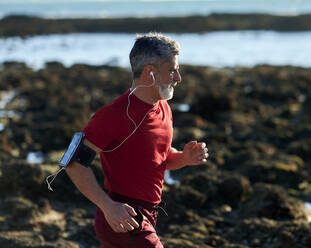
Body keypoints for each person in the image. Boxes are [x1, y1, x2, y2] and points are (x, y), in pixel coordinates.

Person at [65, 32, 209, 248]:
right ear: (150, 72)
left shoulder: (163, 108)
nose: (178, 78)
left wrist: (183, 158)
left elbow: (157, 159)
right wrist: (108, 206)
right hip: (124, 216)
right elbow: (74, 163)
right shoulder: (114, 114)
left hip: (149, 214)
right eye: (171, 71)